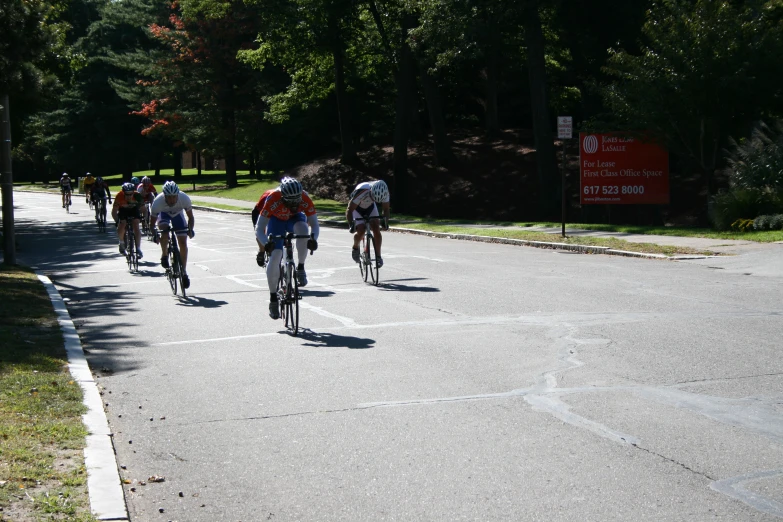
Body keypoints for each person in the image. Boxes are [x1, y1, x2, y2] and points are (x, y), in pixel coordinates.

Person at [254, 177, 319, 320]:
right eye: (291, 202)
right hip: (276, 221)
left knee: (303, 230)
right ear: (283, 197)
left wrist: (313, 239)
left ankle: (301, 268)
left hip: (295, 219)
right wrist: (266, 244)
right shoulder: (272, 198)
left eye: (297, 201)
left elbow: (314, 224)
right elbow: (259, 228)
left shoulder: (305, 197)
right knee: (275, 256)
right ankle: (273, 299)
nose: (295, 204)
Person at [150, 181, 195, 289]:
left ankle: (183, 272)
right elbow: (151, 224)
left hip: (177, 215)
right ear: (164, 195)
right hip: (163, 215)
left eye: (174, 197)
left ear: (177, 195)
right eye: (169, 197)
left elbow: (191, 217)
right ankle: (164, 254)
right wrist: (155, 234)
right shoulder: (157, 202)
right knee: (164, 232)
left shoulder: (184, 198)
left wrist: (190, 229)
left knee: (183, 243)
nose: (172, 200)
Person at [346, 180, 390, 267]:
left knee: (376, 229)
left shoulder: (385, 193)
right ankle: (355, 247)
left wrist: (385, 222)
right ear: (371, 191)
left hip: (370, 207)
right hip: (356, 208)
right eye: (373, 197)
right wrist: (351, 224)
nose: (373, 199)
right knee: (361, 231)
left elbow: (386, 209)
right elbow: (349, 210)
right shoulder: (362, 190)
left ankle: (378, 257)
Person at [111, 182, 144, 258]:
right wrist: (117, 221)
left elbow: (143, 209)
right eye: (126, 194)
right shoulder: (119, 196)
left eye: (130, 194)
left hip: (134, 210)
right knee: (122, 223)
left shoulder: (137, 196)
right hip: (123, 210)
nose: (129, 196)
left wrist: (144, 218)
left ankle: (138, 248)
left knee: (136, 225)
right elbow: (114, 211)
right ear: (123, 193)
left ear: (133, 192)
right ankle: (122, 243)